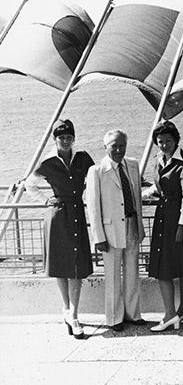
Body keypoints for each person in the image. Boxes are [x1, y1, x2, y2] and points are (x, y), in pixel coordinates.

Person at [26, 119, 94, 339]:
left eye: (69, 137)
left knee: (77, 264)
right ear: (55, 139)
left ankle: (72, 313)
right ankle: (69, 312)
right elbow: (30, 185)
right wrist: (47, 200)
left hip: (77, 212)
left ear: (73, 138)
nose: (65, 141)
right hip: (57, 216)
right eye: (61, 137)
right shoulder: (47, 162)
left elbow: (97, 177)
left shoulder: (82, 158)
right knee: (62, 263)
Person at [86, 129, 145, 332]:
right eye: (114, 146)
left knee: (132, 272)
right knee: (112, 276)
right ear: (106, 147)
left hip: (131, 225)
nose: (119, 149)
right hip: (110, 231)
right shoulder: (96, 171)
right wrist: (98, 237)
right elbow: (93, 207)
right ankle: (114, 318)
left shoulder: (133, 165)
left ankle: (133, 314)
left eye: (122, 145)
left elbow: (136, 195)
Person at [141, 121, 183, 332]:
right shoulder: (159, 160)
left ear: (176, 141)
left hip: (178, 219)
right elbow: (159, 188)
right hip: (163, 216)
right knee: (164, 267)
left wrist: (182, 225)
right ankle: (170, 313)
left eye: (168, 141)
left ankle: (181, 310)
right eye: (160, 142)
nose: (164, 145)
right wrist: (142, 196)